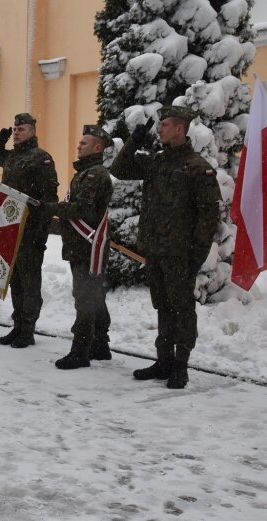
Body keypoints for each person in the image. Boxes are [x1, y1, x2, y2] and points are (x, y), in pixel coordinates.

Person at [110, 105, 222, 388]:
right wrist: (134, 140)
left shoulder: (198, 169)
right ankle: (163, 361)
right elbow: (120, 169)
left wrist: (194, 257)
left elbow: (208, 219)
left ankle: (180, 365)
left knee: (182, 308)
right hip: (156, 250)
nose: (159, 128)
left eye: (165, 124)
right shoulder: (157, 161)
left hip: (181, 254)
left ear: (180, 129)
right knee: (162, 306)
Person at [0, 113, 59, 348]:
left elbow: (49, 197)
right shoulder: (11, 157)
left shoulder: (41, 158)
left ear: (33, 131)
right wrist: (3, 135)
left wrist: (41, 230)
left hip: (31, 230)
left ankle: (28, 329)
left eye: (22, 129)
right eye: (16, 129)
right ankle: (17, 324)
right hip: (11, 228)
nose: (17, 132)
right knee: (16, 281)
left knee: (29, 282)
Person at [50, 125, 113, 369]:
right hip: (81, 245)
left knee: (85, 298)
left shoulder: (94, 174)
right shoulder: (86, 172)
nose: (78, 146)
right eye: (79, 142)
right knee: (93, 296)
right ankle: (100, 344)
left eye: (84, 143)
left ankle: (81, 351)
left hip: (88, 247)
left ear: (98, 147)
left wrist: (53, 208)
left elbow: (82, 209)